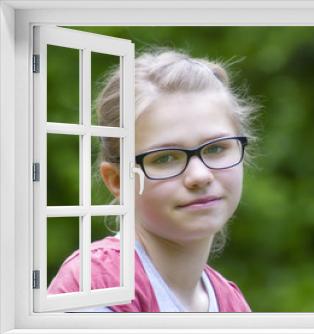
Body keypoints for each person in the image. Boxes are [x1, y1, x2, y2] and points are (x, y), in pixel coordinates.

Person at [48, 48, 258, 312]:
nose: (200, 176)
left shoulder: (231, 305)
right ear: (117, 180)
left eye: (216, 148)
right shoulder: (100, 285)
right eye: (165, 158)